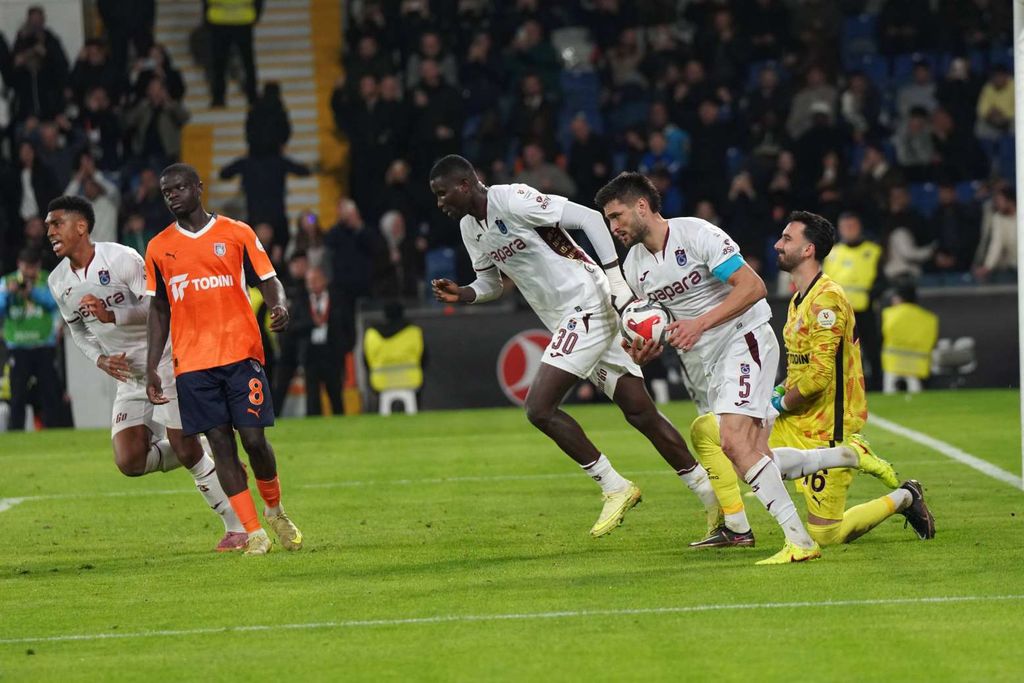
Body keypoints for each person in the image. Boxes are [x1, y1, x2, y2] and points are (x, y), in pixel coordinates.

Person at [429, 155, 720, 540]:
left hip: (587, 304)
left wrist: (615, 281)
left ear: (465, 185)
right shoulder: (471, 228)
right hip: (566, 317)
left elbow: (589, 218)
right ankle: (716, 501)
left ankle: (614, 486)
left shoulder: (512, 199)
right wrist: (464, 293)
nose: (440, 203)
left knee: (539, 408)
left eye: (442, 193)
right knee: (640, 412)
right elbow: (491, 284)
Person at [596, 172, 829, 564]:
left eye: (617, 215)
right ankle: (844, 457)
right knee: (751, 452)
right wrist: (647, 348)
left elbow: (753, 287)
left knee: (735, 443)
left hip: (744, 338)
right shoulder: (634, 266)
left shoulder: (696, 235)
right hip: (705, 361)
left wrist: (700, 324)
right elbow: (665, 322)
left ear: (642, 206)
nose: (613, 227)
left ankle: (800, 543)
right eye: (608, 220)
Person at [43, 195, 246, 551]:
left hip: (164, 359)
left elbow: (158, 306)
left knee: (185, 451)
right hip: (130, 376)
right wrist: (99, 359)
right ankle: (203, 445)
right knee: (130, 460)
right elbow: (77, 329)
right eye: (48, 226)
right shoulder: (58, 281)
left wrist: (112, 315)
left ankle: (237, 526)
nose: (50, 232)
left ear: (81, 226)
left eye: (56, 224)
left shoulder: (121, 259)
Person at [143, 163, 302, 556]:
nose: (173, 196)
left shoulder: (236, 232)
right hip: (192, 363)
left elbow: (268, 278)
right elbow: (159, 309)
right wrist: (151, 366)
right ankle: (254, 532)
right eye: (166, 192)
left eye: (179, 188)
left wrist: (278, 305)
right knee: (220, 443)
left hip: (240, 353)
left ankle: (275, 510)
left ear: (199, 187)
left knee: (254, 440)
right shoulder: (158, 247)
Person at [0, 248, 62, 430]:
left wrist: (33, 292)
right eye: (26, 267)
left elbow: (56, 302)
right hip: (18, 346)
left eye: (33, 267)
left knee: (50, 392)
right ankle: (16, 431)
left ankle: (55, 431)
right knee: (17, 394)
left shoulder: (48, 279)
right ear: (19, 264)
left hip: (44, 345)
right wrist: (8, 294)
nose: (29, 271)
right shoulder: (7, 282)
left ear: (38, 265)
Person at [823, 213, 884, 390]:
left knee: (871, 350)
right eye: (846, 227)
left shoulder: (873, 251)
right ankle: (841, 388)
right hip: (839, 313)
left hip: (865, 310)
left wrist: (871, 296)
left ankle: (876, 386)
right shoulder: (832, 254)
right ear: (840, 229)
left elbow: (882, 280)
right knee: (839, 352)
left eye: (853, 226)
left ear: (860, 227)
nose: (849, 230)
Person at [301, 266, 349, 417]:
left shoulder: (338, 299)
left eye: (315, 280)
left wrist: (345, 347)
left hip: (332, 353)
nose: (312, 284)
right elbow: (293, 326)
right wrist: (311, 323)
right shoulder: (301, 301)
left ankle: (340, 421)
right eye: (309, 281)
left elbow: (348, 325)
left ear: (324, 280)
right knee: (312, 396)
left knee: (335, 392)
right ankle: (314, 424)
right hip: (310, 354)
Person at [881, 279, 939, 394]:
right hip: (918, 366)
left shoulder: (888, 314)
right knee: (916, 395)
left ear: (899, 298)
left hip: (893, 365)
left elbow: (880, 338)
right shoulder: (929, 318)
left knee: (889, 394)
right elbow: (933, 342)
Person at [204, 0, 262, 107]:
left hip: (219, 19)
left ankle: (218, 98)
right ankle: (252, 96)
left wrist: (206, 16)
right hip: (242, 19)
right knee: (247, 61)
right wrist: (257, 14)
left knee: (219, 63)